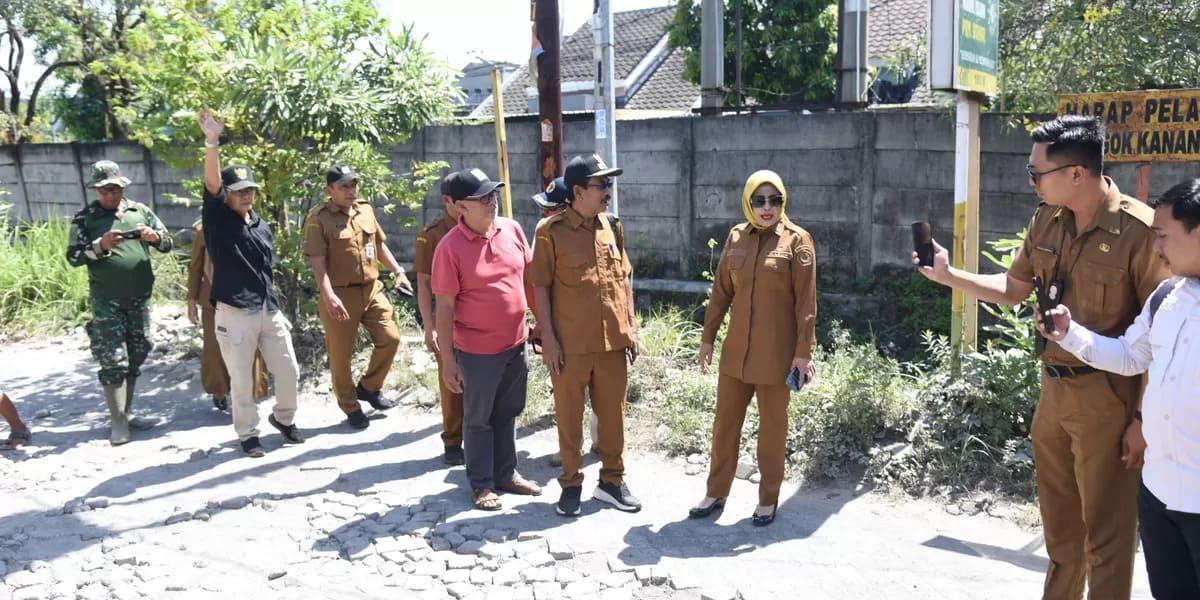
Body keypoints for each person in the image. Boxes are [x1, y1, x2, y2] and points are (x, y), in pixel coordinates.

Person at [914, 115, 1169, 599]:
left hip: (1109, 402)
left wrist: (1141, 419)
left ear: (1076, 173)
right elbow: (1013, 290)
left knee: (1107, 542)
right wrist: (949, 276)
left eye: (1037, 173)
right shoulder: (1046, 218)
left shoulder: (1139, 231)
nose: (1029, 181)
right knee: (1062, 537)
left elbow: (1159, 339)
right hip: (1053, 395)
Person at [1039, 178, 1200, 600]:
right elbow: (1129, 356)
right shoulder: (1167, 297)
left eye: (1163, 237)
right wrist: (1068, 333)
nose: (1157, 248)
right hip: (1160, 494)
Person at [690, 170, 817, 526]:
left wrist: (803, 354)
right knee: (724, 425)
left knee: (772, 429)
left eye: (774, 200)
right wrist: (707, 338)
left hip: (777, 359)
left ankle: (768, 498)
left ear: (783, 202)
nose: (767, 207)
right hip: (736, 356)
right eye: (759, 200)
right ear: (748, 201)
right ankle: (716, 493)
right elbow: (720, 295)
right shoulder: (735, 238)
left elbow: (806, 305)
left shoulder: (798, 242)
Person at [529, 154, 641, 517]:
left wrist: (631, 327)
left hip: (612, 343)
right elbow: (541, 288)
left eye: (608, 184)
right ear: (578, 191)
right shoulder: (550, 232)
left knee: (612, 417)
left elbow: (624, 279)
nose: (608, 191)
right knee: (569, 417)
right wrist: (549, 339)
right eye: (601, 185)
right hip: (570, 346)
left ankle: (611, 481)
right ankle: (571, 483)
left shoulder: (612, 226)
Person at [431, 168, 542, 510]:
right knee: (478, 418)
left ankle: (506, 473)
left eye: (493, 194)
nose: (492, 201)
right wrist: (448, 359)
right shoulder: (449, 248)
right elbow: (445, 308)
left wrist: (538, 325)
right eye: (483, 198)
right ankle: (481, 484)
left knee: (508, 411)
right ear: (461, 206)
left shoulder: (511, 229)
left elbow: (529, 281)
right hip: (477, 351)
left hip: (515, 342)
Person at [197, 109, 304, 458]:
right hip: (234, 312)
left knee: (288, 369)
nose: (246, 195)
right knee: (241, 380)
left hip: (266, 308)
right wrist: (212, 142)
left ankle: (283, 418)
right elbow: (211, 185)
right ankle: (247, 434)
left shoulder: (261, 224)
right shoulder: (217, 219)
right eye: (239, 190)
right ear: (227, 193)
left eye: (251, 190)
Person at [66, 160, 170, 445]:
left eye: (114, 189)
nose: (110, 195)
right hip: (106, 300)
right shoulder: (84, 218)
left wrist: (154, 237)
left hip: (140, 297)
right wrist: (100, 246)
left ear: (122, 187)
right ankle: (118, 421)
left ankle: (128, 411)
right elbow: (73, 257)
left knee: (138, 351)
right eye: (104, 190)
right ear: (96, 190)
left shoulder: (140, 211)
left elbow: (168, 243)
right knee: (112, 358)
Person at [304, 165, 412, 430]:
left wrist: (398, 271)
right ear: (329, 190)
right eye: (344, 186)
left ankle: (369, 387)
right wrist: (328, 296)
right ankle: (350, 406)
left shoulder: (365, 209)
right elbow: (317, 262)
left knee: (390, 338)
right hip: (339, 292)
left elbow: (378, 245)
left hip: (371, 288)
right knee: (341, 355)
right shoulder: (318, 219)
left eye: (353, 185)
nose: (351, 191)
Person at [530, 176, 598, 465]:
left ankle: (601, 444)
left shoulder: (600, 229)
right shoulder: (546, 234)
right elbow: (538, 287)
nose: (547, 214)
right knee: (569, 398)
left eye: (552, 208)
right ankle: (570, 451)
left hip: (596, 329)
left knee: (602, 396)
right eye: (545, 209)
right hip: (562, 331)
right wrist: (543, 330)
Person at [187, 220, 269, 411]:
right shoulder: (205, 228)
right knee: (215, 350)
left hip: (247, 297)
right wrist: (191, 300)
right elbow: (196, 266)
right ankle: (220, 390)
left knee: (251, 346)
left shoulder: (251, 224)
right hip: (212, 300)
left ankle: (250, 393)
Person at [414, 173, 466, 465]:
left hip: (478, 320)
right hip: (448, 321)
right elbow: (423, 283)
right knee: (451, 382)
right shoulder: (432, 234)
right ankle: (453, 440)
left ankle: (480, 438)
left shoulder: (483, 226)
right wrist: (429, 327)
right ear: (448, 201)